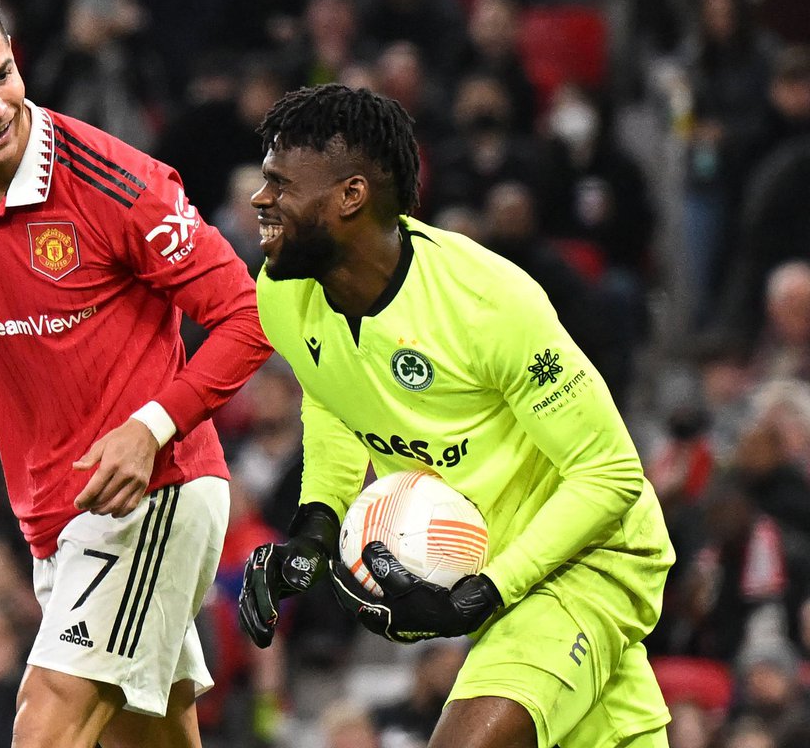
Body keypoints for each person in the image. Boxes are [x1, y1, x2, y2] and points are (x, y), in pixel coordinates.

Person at [0, 0, 271, 748]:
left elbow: (249, 316)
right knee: (146, 736)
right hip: (52, 519)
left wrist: (152, 428)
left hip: (156, 493)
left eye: (2, 76)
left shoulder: (116, 183)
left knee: (46, 719)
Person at [236, 84, 675, 747]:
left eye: (280, 184)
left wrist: (483, 593)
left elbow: (608, 476)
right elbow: (332, 401)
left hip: (588, 561)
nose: (258, 200)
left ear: (350, 196)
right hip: (500, 579)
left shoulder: (488, 304)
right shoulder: (283, 295)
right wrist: (315, 531)